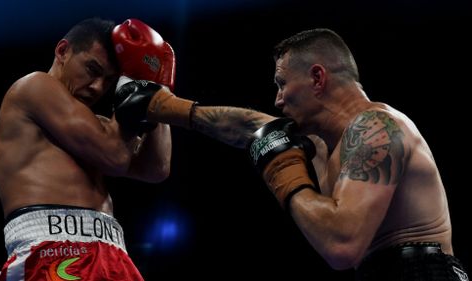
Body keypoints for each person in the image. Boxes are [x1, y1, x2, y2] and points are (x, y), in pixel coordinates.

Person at [114, 28, 469, 280]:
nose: (278, 100)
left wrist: (285, 174)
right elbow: (250, 126)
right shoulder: (325, 141)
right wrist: (162, 105)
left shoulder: (375, 128)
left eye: (282, 84)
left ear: (317, 77)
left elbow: (341, 246)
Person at [0, 17, 175, 281]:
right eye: (92, 69)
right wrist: (139, 99)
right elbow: (115, 157)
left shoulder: (100, 129)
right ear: (63, 51)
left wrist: (154, 88)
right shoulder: (34, 87)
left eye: (110, 80)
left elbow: (156, 168)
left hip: (113, 254)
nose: (98, 87)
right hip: (54, 251)